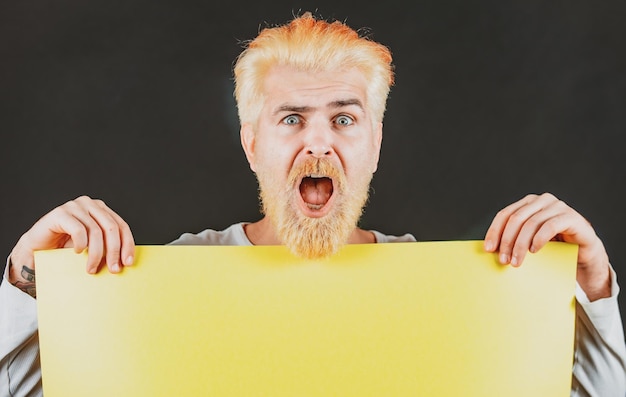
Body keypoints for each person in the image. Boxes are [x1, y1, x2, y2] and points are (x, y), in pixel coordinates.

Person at [1, 11, 625, 397]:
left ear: (375, 143)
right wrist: (24, 281)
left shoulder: (455, 291)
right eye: (292, 118)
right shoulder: (163, 279)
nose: (318, 143)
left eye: (345, 118)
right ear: (252, 143)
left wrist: (595, 291)